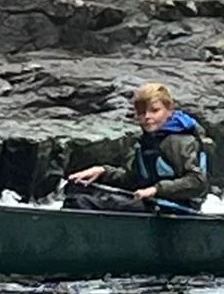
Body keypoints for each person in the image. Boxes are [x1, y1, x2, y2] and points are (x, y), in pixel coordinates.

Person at [63, 84, 212, 213]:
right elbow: (134, 180)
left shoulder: (179, 141)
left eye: (154, 111)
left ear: (169, 110)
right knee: (75, 190)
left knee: (80, 203)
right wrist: (103, 172)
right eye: (141, 113)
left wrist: (156, 190)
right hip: (152, 201)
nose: (147, 117)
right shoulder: (146, 142)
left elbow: (197, 182)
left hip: (177, 208)